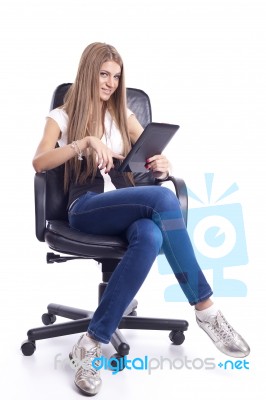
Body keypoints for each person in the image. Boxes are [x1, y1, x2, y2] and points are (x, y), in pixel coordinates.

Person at [33, 42, 250, 396]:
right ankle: (206, 309)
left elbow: (150, 156)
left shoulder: (123, 116)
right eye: (104, 74)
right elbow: (39, 162)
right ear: (89, 73)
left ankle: (89, 343)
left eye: (116, 77)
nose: (111, 84)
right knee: (163, 199)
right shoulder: (62, 116)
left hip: (124, 198)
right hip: (86, 205)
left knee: (150, 234)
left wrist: (163, 164)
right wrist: (83, 143)